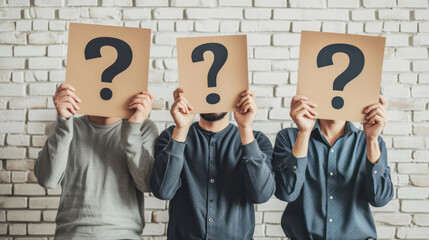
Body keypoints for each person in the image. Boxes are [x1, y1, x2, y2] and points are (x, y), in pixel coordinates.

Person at [34, 83, 158, 239]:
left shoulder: (144, 129)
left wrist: (133, 129)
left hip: (124, 235)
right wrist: (63, 123)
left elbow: (147, 184)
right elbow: (47, 180)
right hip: (72, 235)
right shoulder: (68, 127)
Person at [150, 88, 275, 239]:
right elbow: (163, 191)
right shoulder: (172, 136)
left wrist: (245, 128)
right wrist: (181, 129)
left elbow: (261, 195)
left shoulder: (257, 141)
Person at [273, 95, 394, 240]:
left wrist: (372, 140)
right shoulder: (289, 137)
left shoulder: (371, 141)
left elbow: (380, 199)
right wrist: (304, 133)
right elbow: (287, 192)